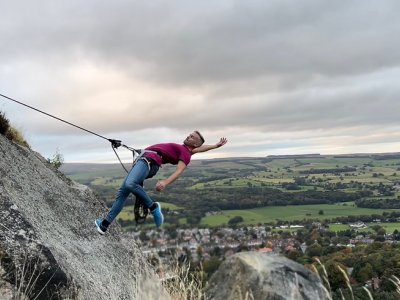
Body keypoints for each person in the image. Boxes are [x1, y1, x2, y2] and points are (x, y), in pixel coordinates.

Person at [95, 131, 227, 234]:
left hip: (149, 161)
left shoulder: (186, 154)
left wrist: (165, 182)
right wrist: (215, 146)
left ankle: (153, 207)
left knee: (130, 184)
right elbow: (201, 148)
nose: (189, 136)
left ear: (195, 144)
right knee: (122, 193)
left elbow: (179, 170)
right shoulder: (187, 149)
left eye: (192, 137)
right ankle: (104, 225)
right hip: (145, 159)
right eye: (189, 134)